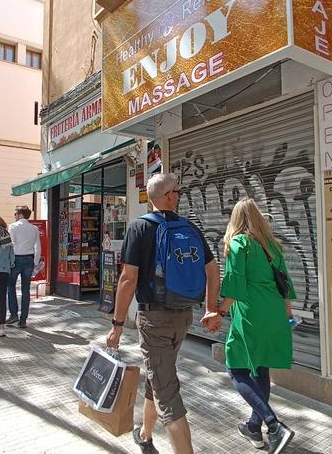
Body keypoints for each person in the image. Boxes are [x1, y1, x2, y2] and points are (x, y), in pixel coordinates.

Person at [106, 173, 220, 454]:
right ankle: (145, 435)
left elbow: (128, 279)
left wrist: (118, 324)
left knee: (167, 394)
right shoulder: (189, 227)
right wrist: (210, 308)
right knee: (158, 375)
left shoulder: (139, 228)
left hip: (154, 320)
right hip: (183, 317)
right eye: (177, 191)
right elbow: (213, 270)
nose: (179, 195)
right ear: (169, 196)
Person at [201, 198, 296, 454]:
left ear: (235, 219)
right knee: (260, 368)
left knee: (236, 368)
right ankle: (254, 427)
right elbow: (285, 285)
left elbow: (234, 283)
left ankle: (273, 425)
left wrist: (219, 311)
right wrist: (287, 315)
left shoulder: (238, 243)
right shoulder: (272, 246)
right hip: (274, 312)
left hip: (250, 313)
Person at [8, 205, 41, 329]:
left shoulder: (13, 227)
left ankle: (13, 314)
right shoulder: (34, 228)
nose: (15, 216)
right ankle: (23, 320)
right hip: (29, 259)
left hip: (16, 258)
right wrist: (36, 261)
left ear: (20, 214)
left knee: (10, 286)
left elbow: (11, 244)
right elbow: (38, 246)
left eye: (15, 214)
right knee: (25, 290)